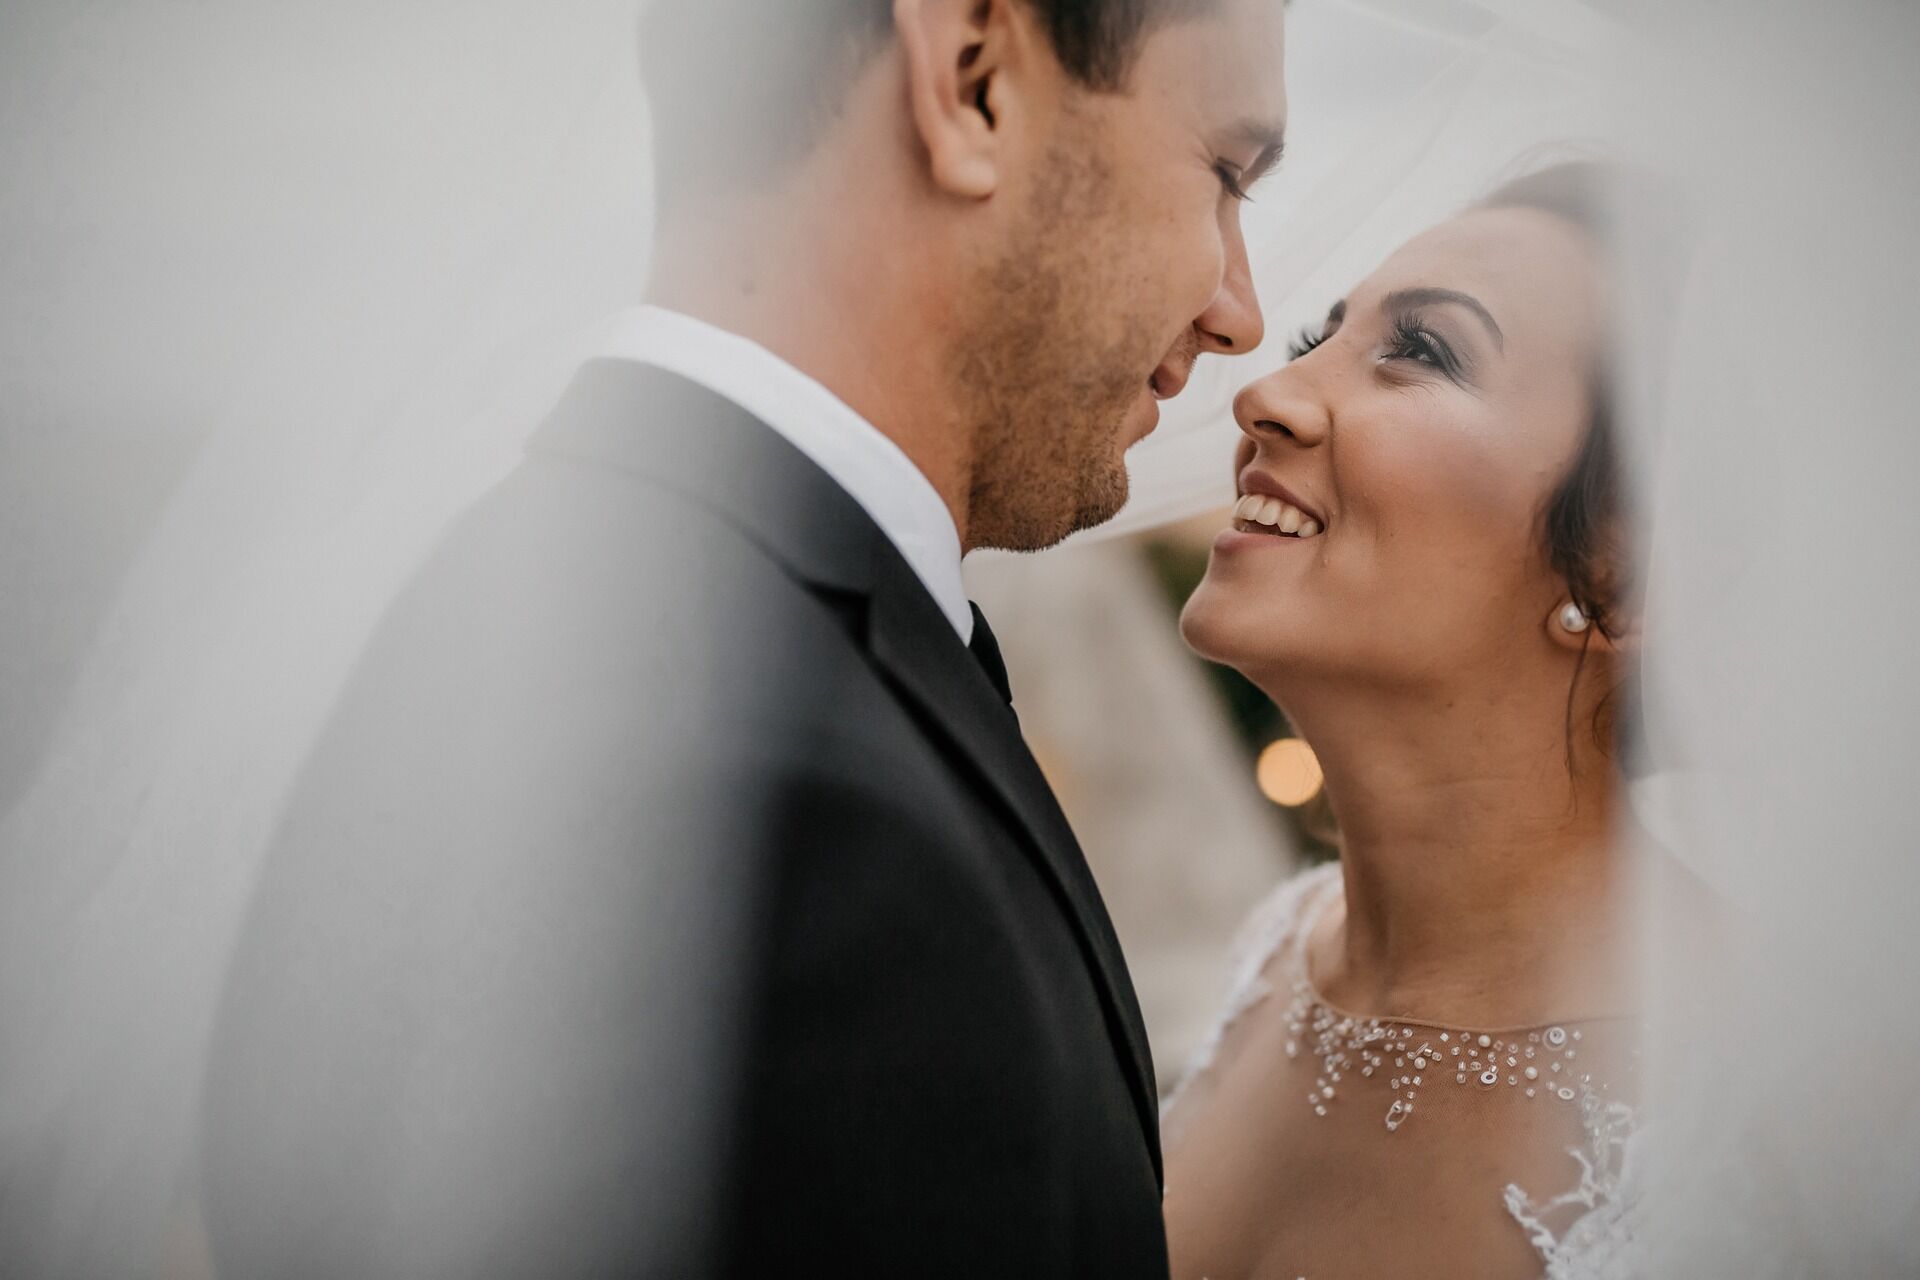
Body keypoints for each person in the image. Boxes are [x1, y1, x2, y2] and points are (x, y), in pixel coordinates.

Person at [199, 1, 1285, 1276]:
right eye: (1222, 173)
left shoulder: (546, 598)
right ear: (974, 79)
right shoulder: (795, 812)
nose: (1241, 312)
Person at [1164, 163, 1687, 1279]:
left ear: (1622, 568)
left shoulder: (1770, 1118)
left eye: (1426, 351)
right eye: (1322, 333)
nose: (1269, 392)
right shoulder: (1271, 959)